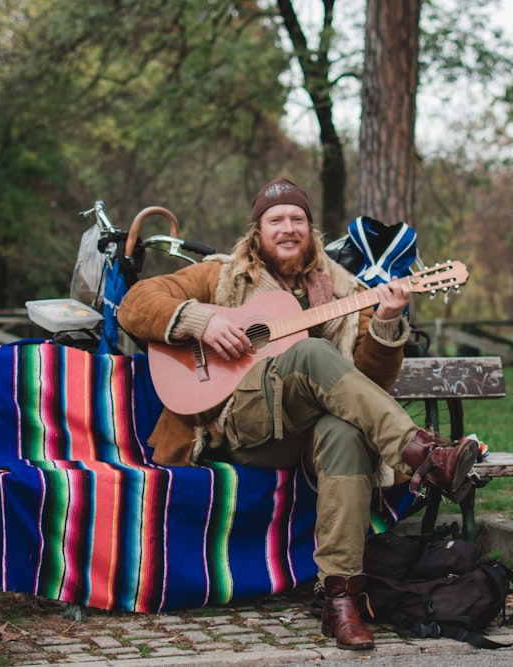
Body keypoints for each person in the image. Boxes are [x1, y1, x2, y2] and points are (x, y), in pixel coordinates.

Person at [117, 178, 477, 650]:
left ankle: (341, 598)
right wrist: (202, 321)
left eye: (298, 220)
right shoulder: (219, 276)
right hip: (233, 424)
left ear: (311, 230)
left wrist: (388, 322)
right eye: (276, 220)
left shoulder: (347, 291)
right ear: (257, 231)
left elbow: (369, 383)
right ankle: (424, 455)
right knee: (312, 355)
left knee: (344, 432)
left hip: (301, 435)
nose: (288, 229)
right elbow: (134, 304)